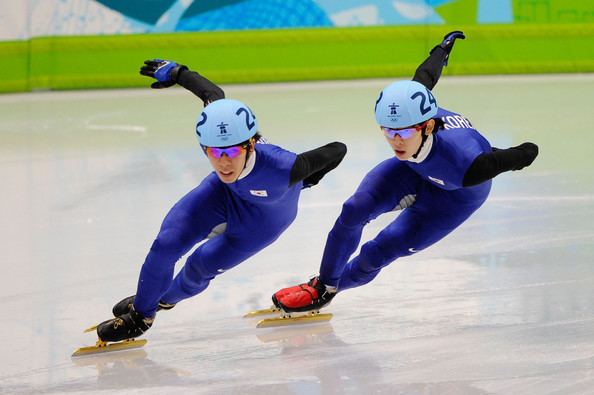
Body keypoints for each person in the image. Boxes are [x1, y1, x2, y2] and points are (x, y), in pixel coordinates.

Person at [272, 32, 539, 313]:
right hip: (414, 170)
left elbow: (514, 157)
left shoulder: (468, 166)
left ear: (427, 127)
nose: (395, 140)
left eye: (403, 132)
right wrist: (442, 50)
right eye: (388, 131)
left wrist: (528, 151)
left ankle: (336, 289)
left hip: (456, 196)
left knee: (379, 250)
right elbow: (425, 77)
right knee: (354, 209)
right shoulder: (412, 105)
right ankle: (322, 287)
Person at [96, 59, 348, 342]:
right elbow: (212, 95)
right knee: (166, 244)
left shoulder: (283, 167)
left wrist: (303, 180)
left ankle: (164, 299)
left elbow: (338, 149)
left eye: (232, 153)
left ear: (250, 144)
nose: (224, 163)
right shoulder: (222, 124)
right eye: (214, 153)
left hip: (264, 221)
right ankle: (142, 315)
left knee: (199, 266)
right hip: (221, 195)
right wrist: (179, 73)